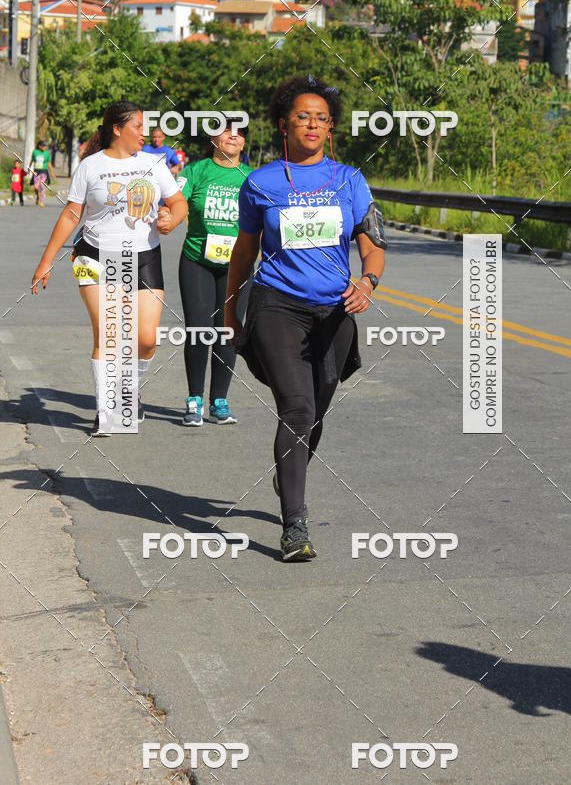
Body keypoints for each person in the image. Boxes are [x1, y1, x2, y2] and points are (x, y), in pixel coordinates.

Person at [225, 75, 386, 562]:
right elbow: (244, 252)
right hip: (278, 305)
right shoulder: (261, 183)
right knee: (296, 409)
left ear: (330, 128)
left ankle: (287, 470)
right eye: (302, 116)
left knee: (316, 409)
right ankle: (294, 525)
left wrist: (368, 282)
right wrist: (232, 308)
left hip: (334, 310)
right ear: (283, 124)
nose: (312, 124)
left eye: (321, 118)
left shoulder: (350, 181)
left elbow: (372, 247)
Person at [31, 101, 188, 436]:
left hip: (144, 256)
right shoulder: (90, 166)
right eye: (138, 127)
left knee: (145, 340)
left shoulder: (154, 163)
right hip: (95, 255)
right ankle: (108, 412)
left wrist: (170, 220)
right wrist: (46, 262)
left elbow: (177, 203)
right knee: (110, 333)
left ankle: (130, 388)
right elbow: (72, 214)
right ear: (117, 129)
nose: (144, 134)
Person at [166, 120, 252, 426]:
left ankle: (219, 401)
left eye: (240, 133)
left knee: (227, 332)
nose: (233, 136)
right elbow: (176, 204)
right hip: (197, 262)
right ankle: (194, 400)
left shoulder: (252, 179)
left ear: (244, 143)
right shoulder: (195, 172)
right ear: (213, 137)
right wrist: (168, 219)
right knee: (199, 330)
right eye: (227, 130)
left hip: (237, 266)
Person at [30, 139, 56, 207]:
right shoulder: (35, 152)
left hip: (44, 171)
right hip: (36, 171)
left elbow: (49, 164)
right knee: (35, 187)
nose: (45, 147)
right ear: (39, 146)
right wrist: (29, 168)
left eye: (45, 146)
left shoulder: (47, 153)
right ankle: (37, 197)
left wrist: (52, 173)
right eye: (43, 146)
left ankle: (41, 201)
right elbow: (32, 160)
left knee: (41, 186)